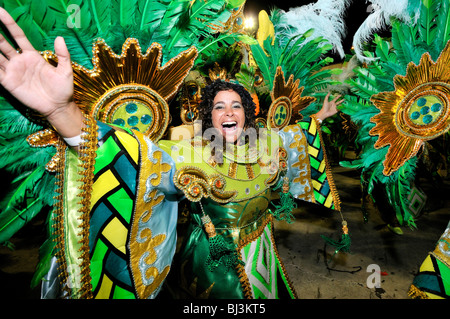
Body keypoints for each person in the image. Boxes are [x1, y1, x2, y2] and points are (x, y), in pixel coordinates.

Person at [0, 7, 343, 299]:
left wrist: (318, 118)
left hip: (263, 249)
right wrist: (61, 113)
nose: (228, 113)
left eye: (236, 105)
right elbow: (137, 159)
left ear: (247, 113)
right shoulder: (191, 157)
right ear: (207, 117)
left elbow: (291, 137)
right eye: (218, 107)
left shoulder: (265, 142)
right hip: (216, 266)